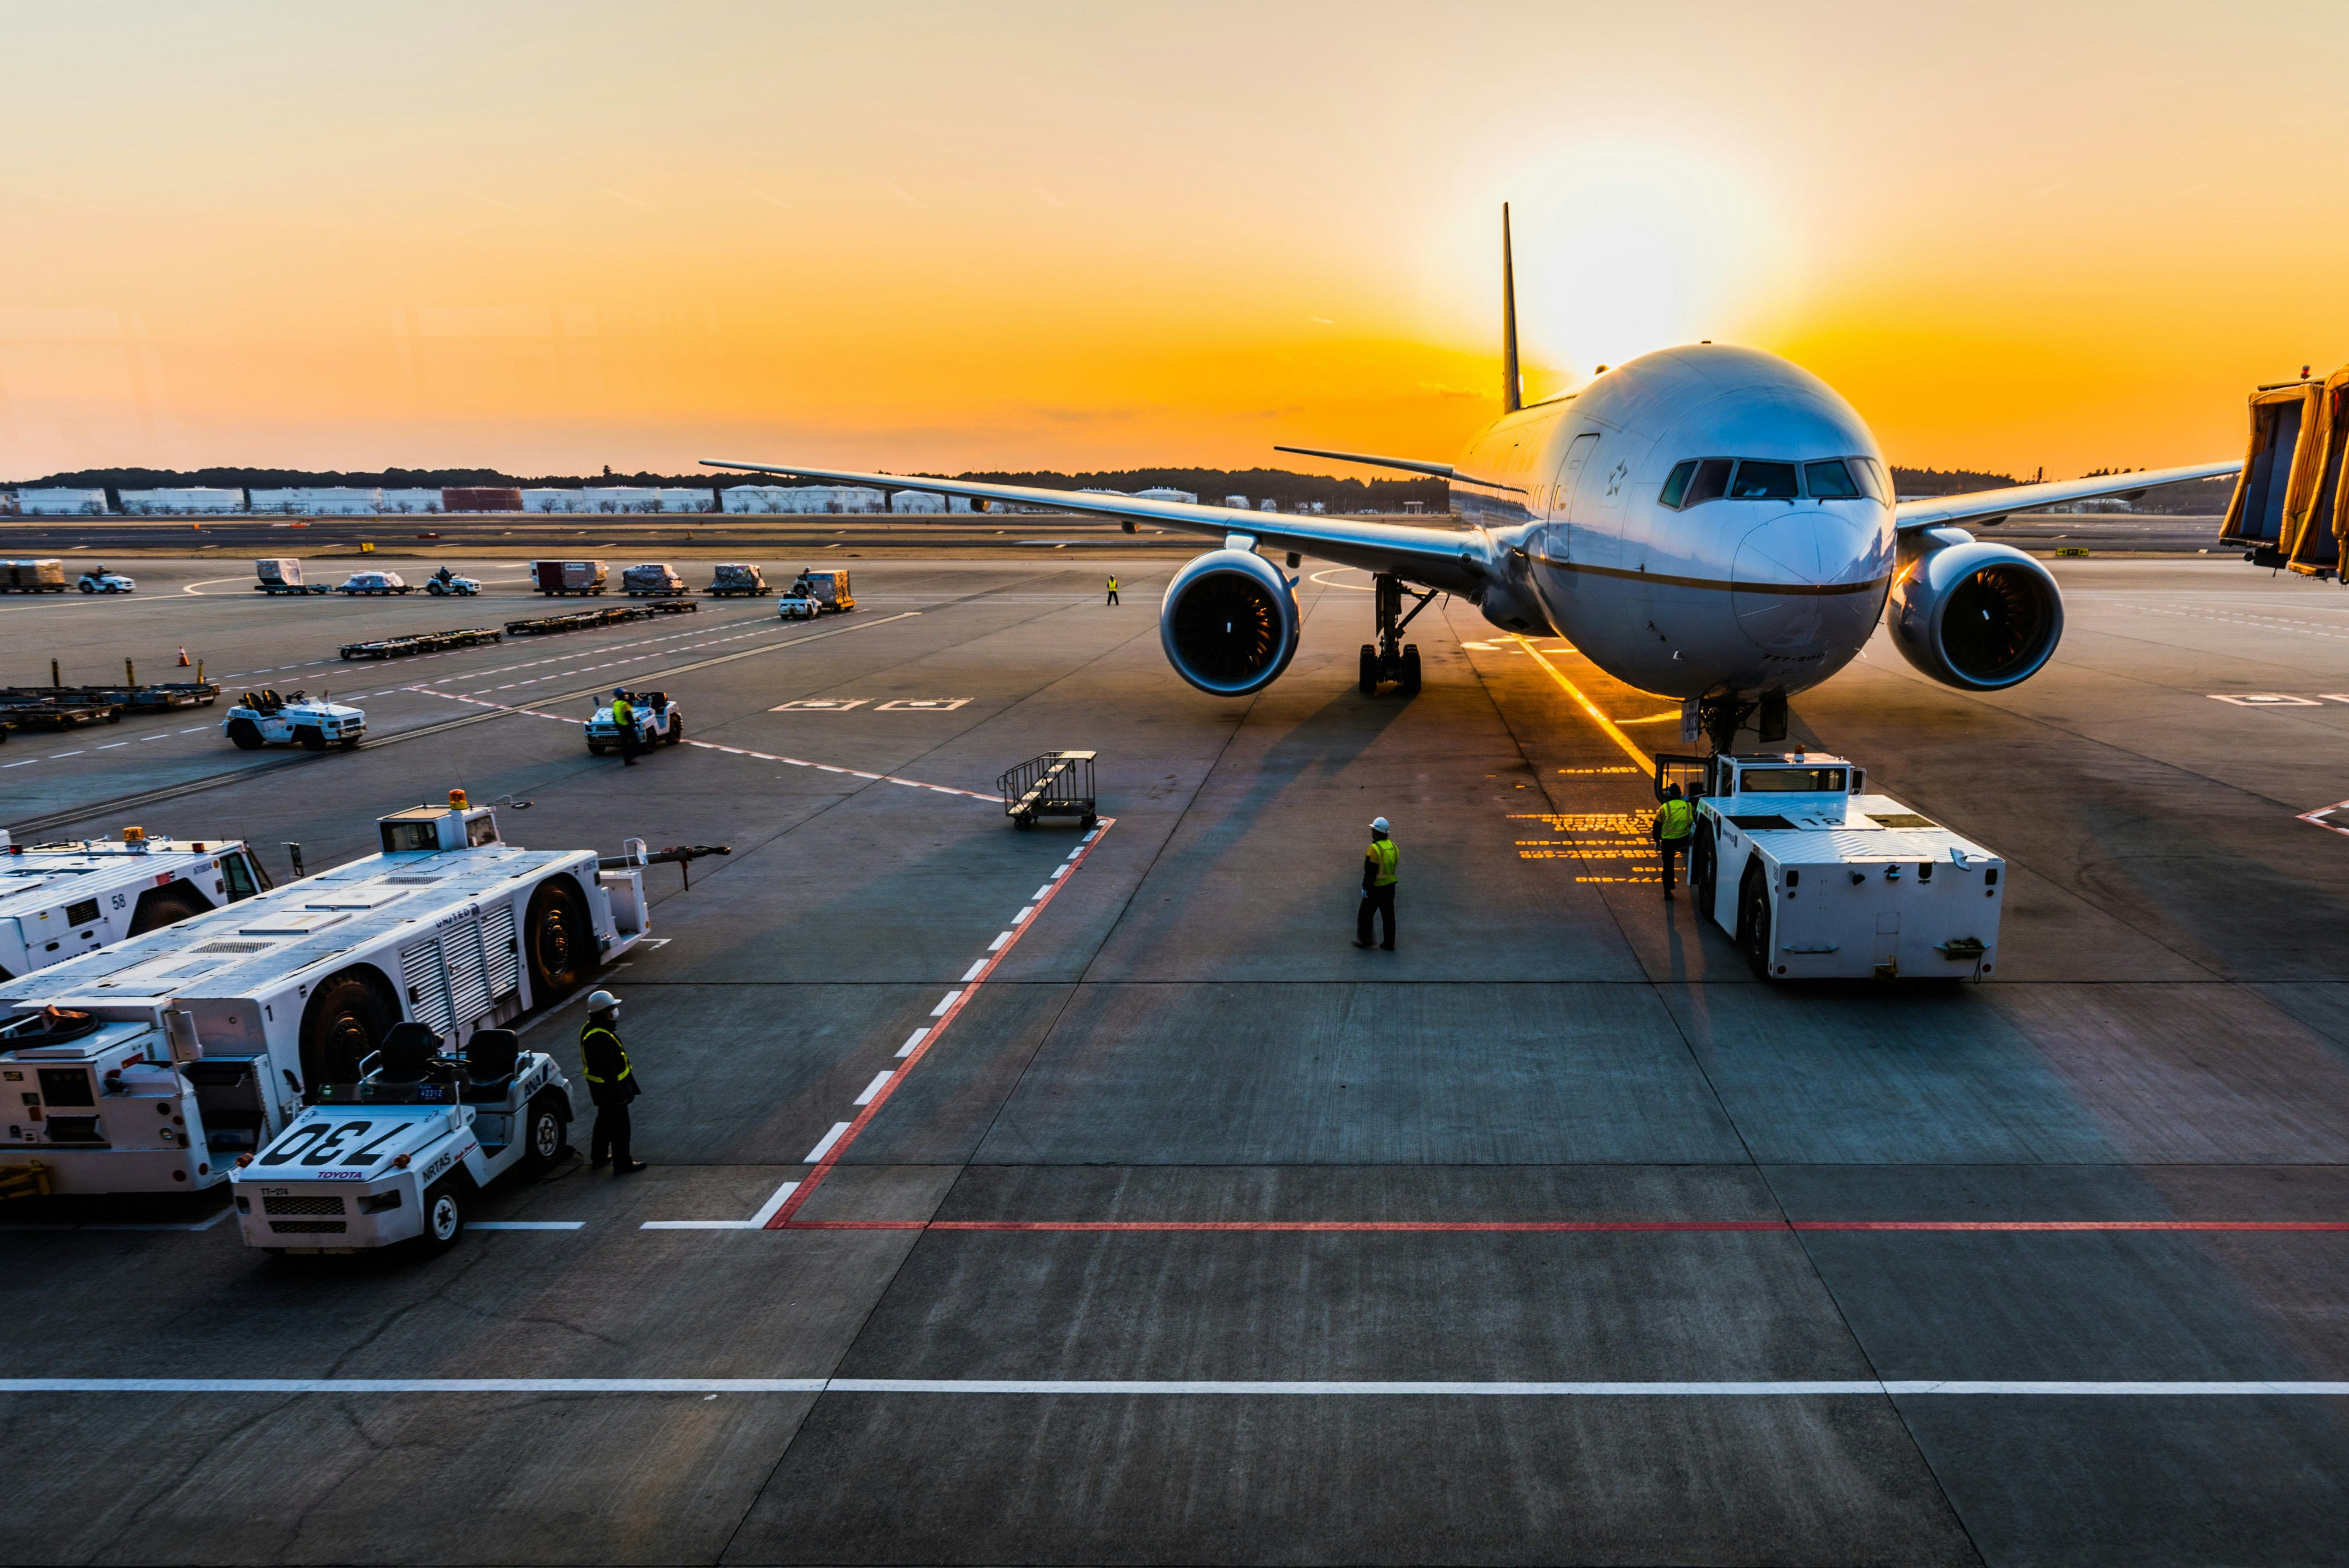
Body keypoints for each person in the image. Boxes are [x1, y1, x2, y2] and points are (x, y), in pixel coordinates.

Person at [579, 990, 644, 1173]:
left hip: (599, 1089)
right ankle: (622, 1163)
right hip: (611, 1090)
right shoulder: (601, 1037)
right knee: (620, 1128)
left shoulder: (589, 1028)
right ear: (605, 1013)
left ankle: (599, 1157)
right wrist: (619, 1095)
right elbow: (609, 1071)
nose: (616, 1011)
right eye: (613, 1008)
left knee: (604, 1122)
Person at [1354, 816, 1399, 950]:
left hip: (1375, 889)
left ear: (1376, 833)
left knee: (1365, 915)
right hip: (1390, 887)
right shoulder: (1393, 847)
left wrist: (1365, 888)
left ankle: (1366, 941)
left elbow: (1370, 872)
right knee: (1389, 916)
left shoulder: (1374, 849)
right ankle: (1389, 944)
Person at [1655, 782, 1695, 899]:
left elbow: (1657, 825)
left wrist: (1657, 841)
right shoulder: (1688, 806)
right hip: (1684, 839)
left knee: (1668, 866)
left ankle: (1668, 892)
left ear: (1668, 795)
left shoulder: (1664, 807)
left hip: (1668, 842)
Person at [611, 688, 639, 765]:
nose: (626, 695)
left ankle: (627, 760)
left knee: (625, 744)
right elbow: (629, 717)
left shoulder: (616, 704)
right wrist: (634, 726)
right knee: (635, 742)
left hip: (620, 727)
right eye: (624, 694)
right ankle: (631, 757)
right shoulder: (625, 705)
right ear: (621, 695)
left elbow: (614, 716)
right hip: (628, 727)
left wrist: (617, 725)